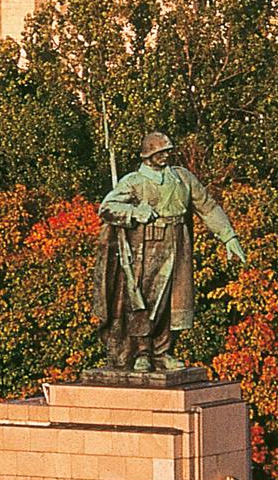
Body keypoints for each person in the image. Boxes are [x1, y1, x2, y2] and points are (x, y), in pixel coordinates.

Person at [93, 132, 245, 372]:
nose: (165, 156)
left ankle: (163, 352)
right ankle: (143, 352)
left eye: (166, 151)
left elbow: (207, 206)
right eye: (159, 152)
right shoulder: (134, 181)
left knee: (174, 299)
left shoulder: (182, 178)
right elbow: (107, 207)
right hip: (148, 244)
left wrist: (228, 235)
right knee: (146, 300)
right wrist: (134, 212)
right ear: (148, 155)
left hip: (179, 242)